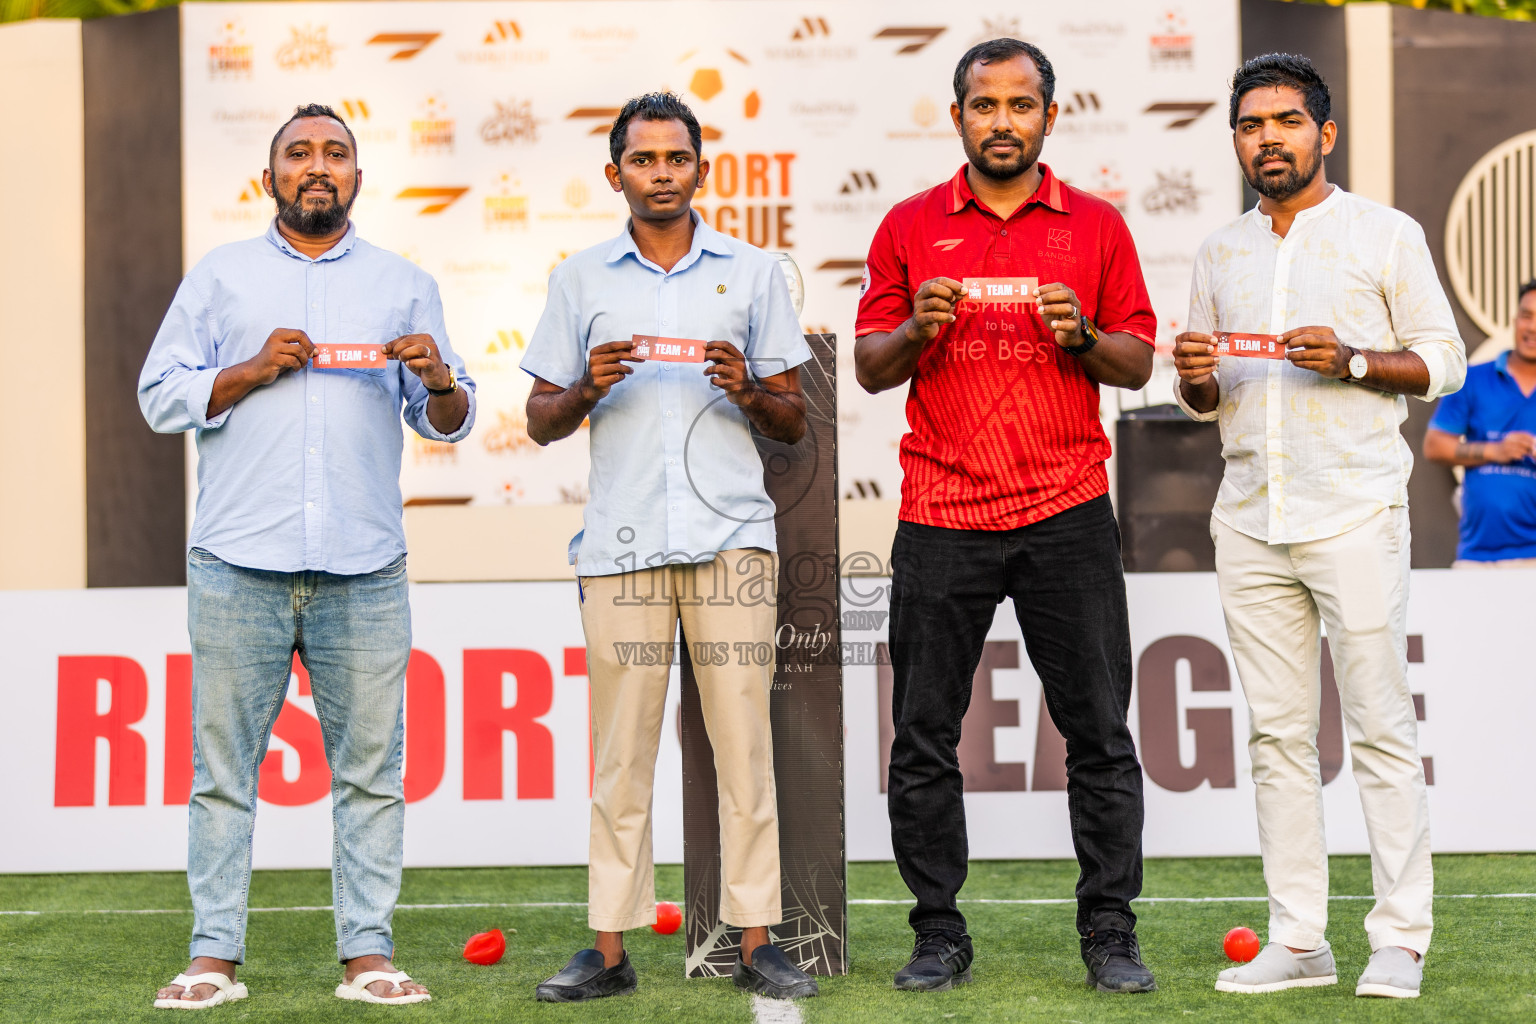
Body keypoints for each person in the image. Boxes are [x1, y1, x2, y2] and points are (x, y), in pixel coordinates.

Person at [139, 103, 475, 1009]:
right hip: (236, 564)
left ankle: (367, 955)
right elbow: (156, 395)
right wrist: (246, 371)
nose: (316, 166)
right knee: (222, 776)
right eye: (299, 154)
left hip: (364, 570)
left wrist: (439, 377)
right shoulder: (221, 278)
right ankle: (214, 956)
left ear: (358, 180)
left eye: (335, 153)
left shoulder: (404, 283)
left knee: (370, 774)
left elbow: (449, 417)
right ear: (270, 178)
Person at [854, 39, 1159, 994]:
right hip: (941, 512)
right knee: (921, 735)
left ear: (1048, 118)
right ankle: (938, 931)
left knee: (1100, 734)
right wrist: (916, 330)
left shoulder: (1097, 226)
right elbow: (868, 365)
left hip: (1067, 509)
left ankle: (1110, 931)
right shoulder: (908, 225)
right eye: (983, 105)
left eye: (1020, 105)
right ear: (957, 118)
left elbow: (1140, 363)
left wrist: (1086, 338)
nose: (1002, 121)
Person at [1172, 54, 1464, 999]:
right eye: (1252, 125)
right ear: (1236, 142)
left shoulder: (1385, 235)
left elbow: (1443, 362)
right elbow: (1207, 401)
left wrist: (1353, 361)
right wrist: (1195, 377)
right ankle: (1301, 939)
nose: (1269, 139)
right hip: (1250, 518)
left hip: (1354, 508)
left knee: (1379, 727)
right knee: (1276, 740)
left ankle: (1401, 938)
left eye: (1287, 122)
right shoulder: (1220, 252)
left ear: (1324, 134)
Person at [520, 92, 816, 1002]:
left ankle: (756, 938)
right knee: (622, 756)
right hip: (622, 547)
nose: (661, 173)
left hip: (730, 541)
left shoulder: (757, 272)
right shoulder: (579, 279)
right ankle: (607, 950)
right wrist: (583, 390)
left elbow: (795, 420)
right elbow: (537, 422)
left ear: (700, 169)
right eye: (642, 160)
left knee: (743, 748)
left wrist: (748, 391)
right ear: (617, 175)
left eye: (675, 158)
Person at [1423, 280, 1536, 567]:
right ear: (1515, 321)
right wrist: (1495, 451)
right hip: (1477, 557)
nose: (1532, 328)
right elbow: (1435, 446)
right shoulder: (1472, 379)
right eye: (1527, 316)